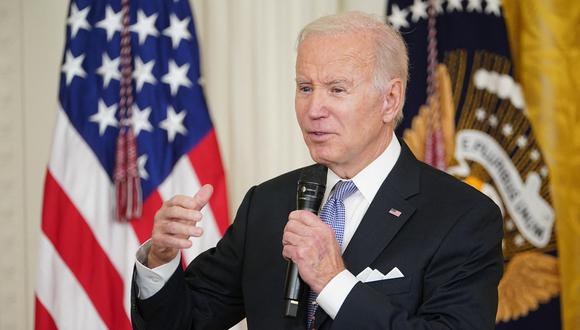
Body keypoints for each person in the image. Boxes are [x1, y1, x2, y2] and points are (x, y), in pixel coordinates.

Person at [131, 11, 503, 330]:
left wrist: (333, 282)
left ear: (390, 100)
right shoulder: (267, 203)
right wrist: (160, 260)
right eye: (305, 88)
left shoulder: (461, 216)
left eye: (337, 90)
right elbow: (187, 321)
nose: (314, 109)